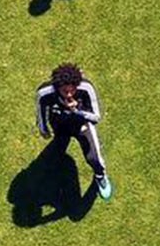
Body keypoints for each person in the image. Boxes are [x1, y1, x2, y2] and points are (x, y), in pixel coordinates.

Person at [36, 63, 112, 201]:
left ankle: (100, 176)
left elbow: (96, 117)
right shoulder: (45, 93)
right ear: (57, 87)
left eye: (73, 90)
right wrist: (43, 129)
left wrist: (76, 111)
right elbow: (40, 112)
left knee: (94, 157)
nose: (69, 94)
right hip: (59, 125)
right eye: (65, 91)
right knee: (59, 146)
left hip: (82, 125)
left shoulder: (86, 88)